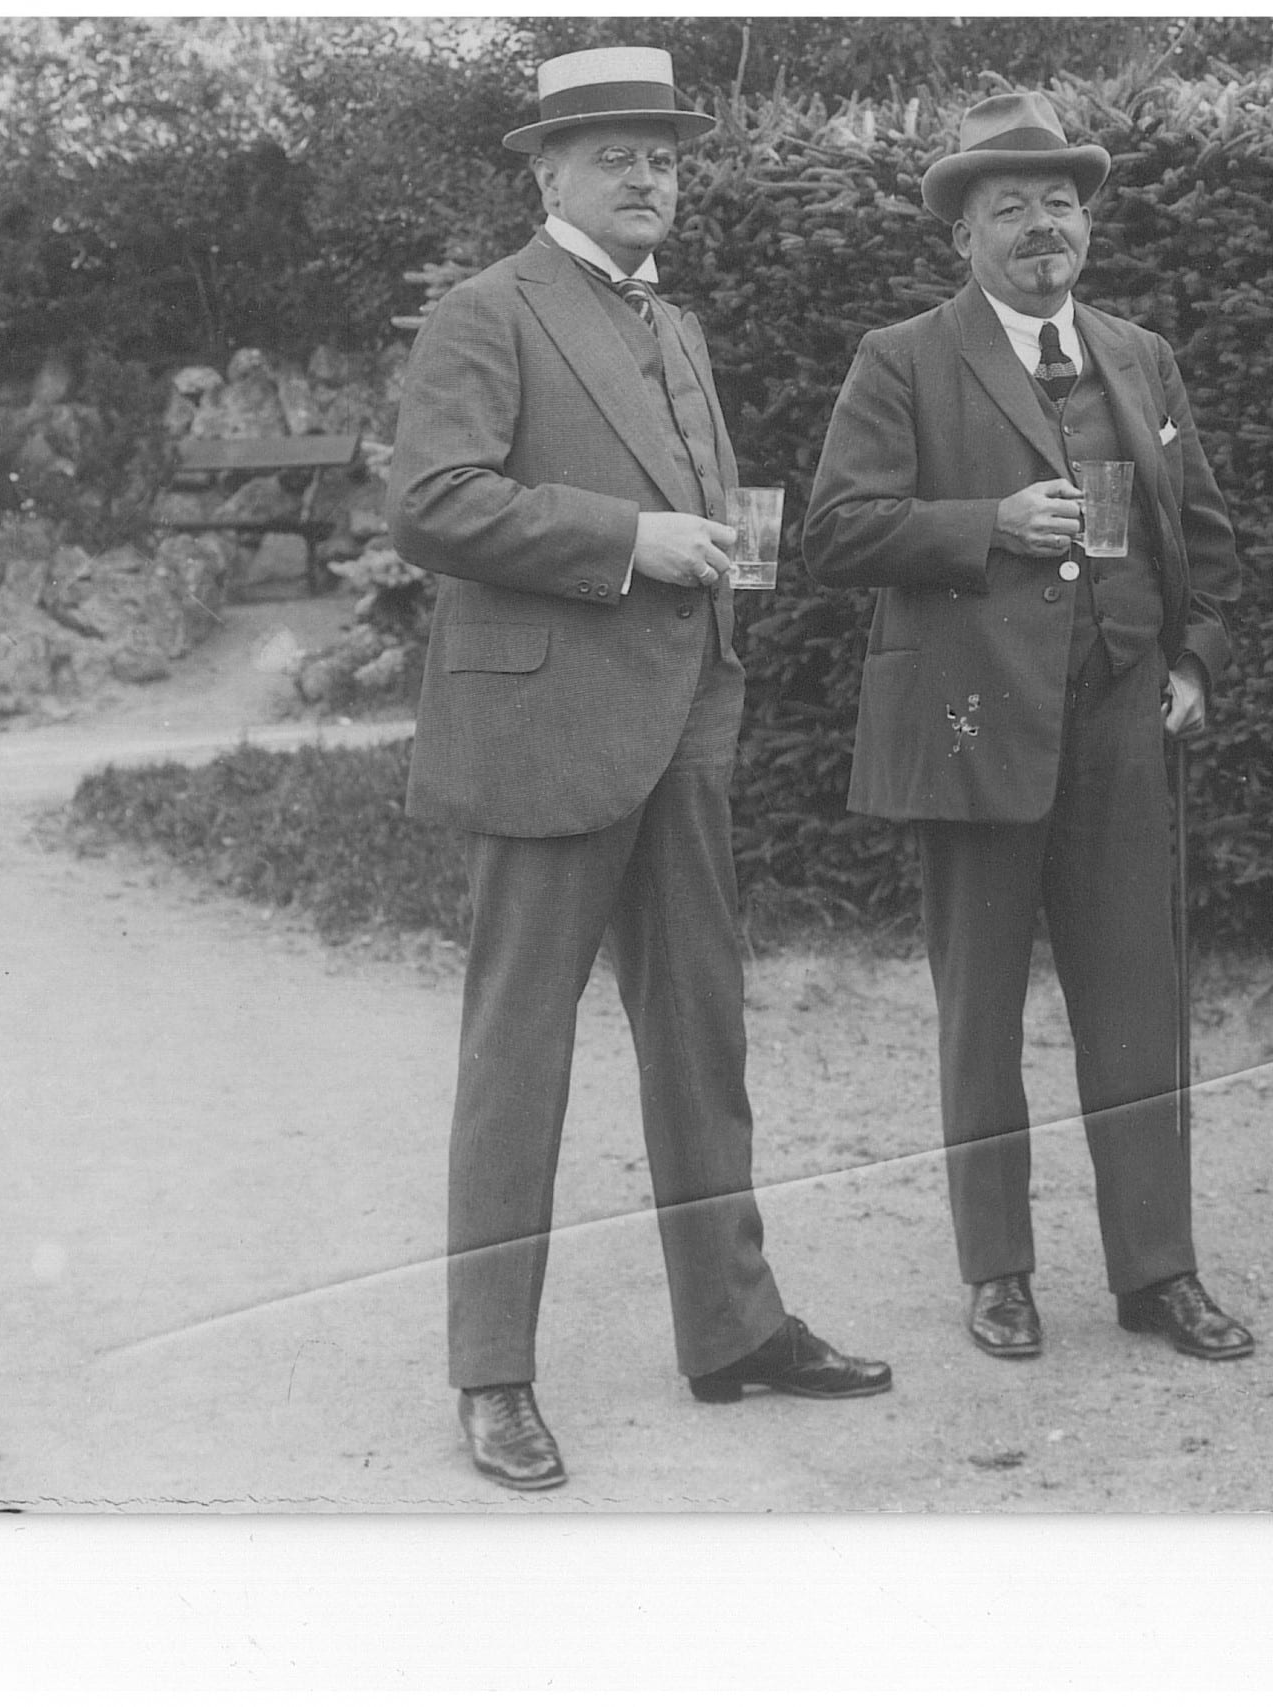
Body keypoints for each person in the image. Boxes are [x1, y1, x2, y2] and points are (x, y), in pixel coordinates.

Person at [389, 45, 890, 1494]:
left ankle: (732, 1328)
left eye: (663, 156)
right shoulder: (489, 309)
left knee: (700, 1036)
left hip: (683, 722)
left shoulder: (677, 323)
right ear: (547, 172)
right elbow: (433, 503)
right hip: (545, 734)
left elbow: (698, 497)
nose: (646, 176)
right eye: (613, 153)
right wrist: (629, 541)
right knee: (518, 1057)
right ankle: (493, 1374)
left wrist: (725, 561)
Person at [803, 92, 1253, 1365]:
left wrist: (1195, 660)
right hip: (971, 723)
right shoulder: (902, 358)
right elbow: (836, 529)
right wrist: (986, 525)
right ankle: (997, 1272)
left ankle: (1158, 1274)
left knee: (1139, 1007)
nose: (1042, 226)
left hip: (1119, 722)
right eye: (1010, 209)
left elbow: (1203, 535)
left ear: (1086, 224)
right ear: (963, 236)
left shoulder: (1138, 355)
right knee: (980, 1012)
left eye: (1060, 203)